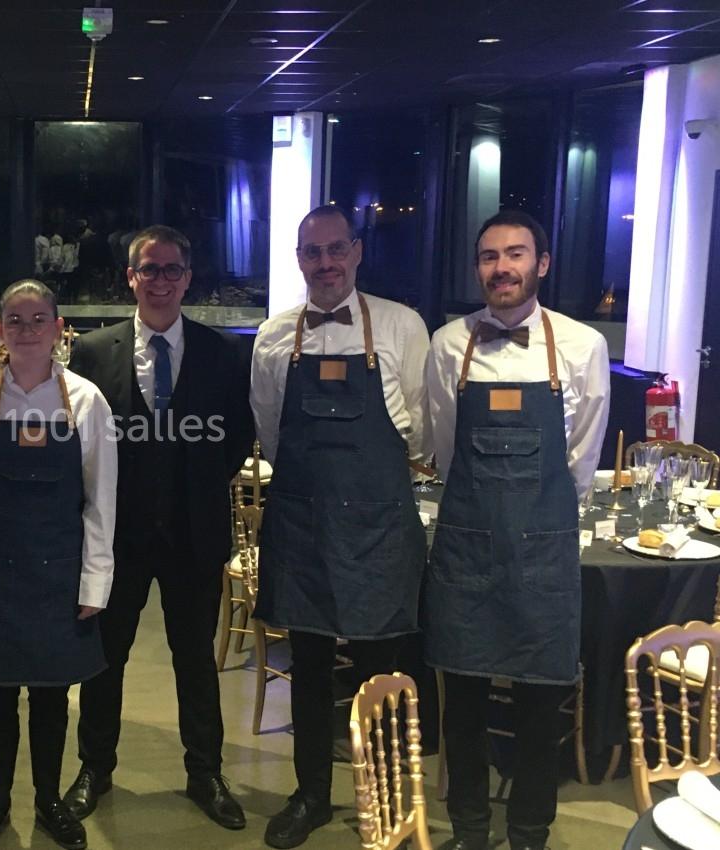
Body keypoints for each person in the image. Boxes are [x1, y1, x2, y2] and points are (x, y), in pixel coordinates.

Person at [425, 210, 610, 850]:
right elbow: (446, 447)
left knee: (539, 706)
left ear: (542, 264)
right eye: (489, 256)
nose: (501, 267)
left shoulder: (583, 346)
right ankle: (470, 830)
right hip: (466, 548)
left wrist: (539, 518)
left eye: (515, 254)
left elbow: (581, 461)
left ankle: (530, 831)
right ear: (478, 267)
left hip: (543, 553)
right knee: (463, 705)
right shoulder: (448, 344)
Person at [249, 204, 430, 849]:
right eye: (312, 252)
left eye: (335, 249)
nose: (324, 263)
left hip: (379, 526)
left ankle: (381, 795)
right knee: (309, 664)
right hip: (304, 525)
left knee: (380, 668)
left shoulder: (403, 326)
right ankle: (310, 796)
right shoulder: (274, 337)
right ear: (299, 259)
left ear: (356, 252)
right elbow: (271, 430)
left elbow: (421, 432)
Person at [63, 225, 254, 831]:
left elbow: (236, 436)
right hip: (117, 538)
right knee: (105, 659)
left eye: (173, 269)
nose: (161, 280)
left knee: (195, 660)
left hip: (194, 536)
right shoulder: (94, 352)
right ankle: (95, 768)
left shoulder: (223, 352)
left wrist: (194, 482)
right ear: (131, 277)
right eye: (150, 268)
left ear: (188, 278)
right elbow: (82, 444)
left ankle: (205, 773)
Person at [0, 279, 116, 850]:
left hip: (58, 571)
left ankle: (48, 799)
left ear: (59, 328)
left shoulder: (86, 400)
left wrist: (95, 580)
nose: (27, 330)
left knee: (50, 696)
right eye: (15, 320)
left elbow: (100, 500)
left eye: (39, 319)